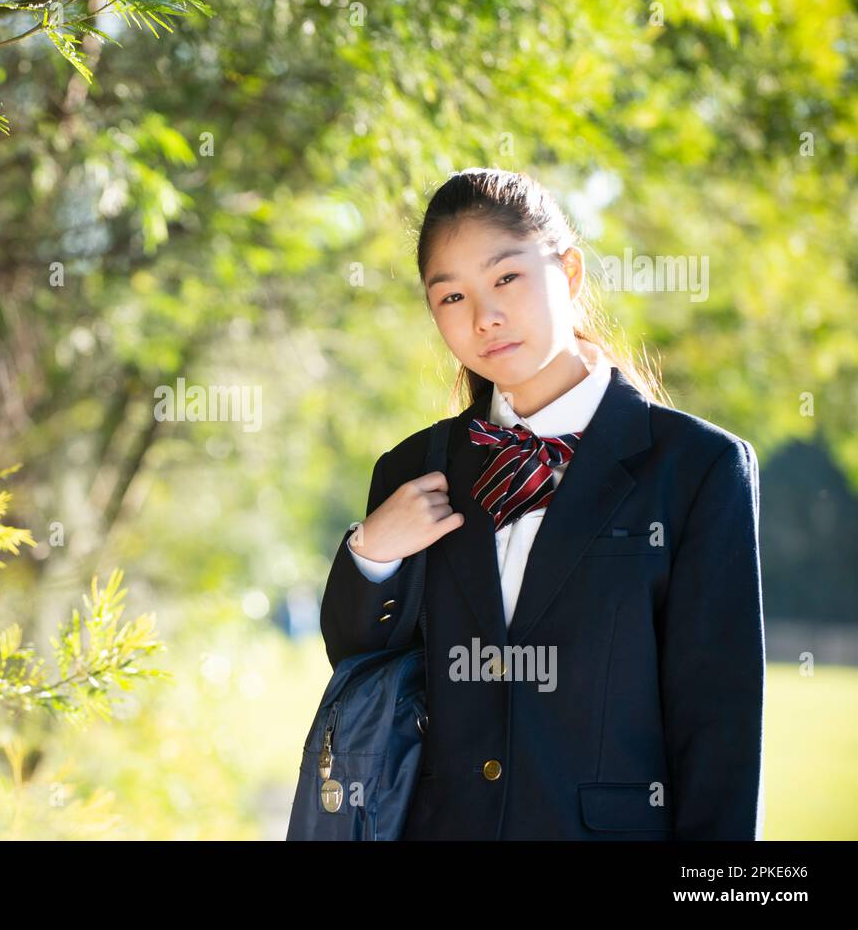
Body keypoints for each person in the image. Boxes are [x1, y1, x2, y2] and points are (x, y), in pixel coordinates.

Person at [320, 168, 765, 840]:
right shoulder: (413, 469)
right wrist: (370, 550)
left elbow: (720, 727)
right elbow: (360, 666)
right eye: (451, 296)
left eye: (506, 279)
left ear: (571, 272)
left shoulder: (697, 469)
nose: (484, 317)